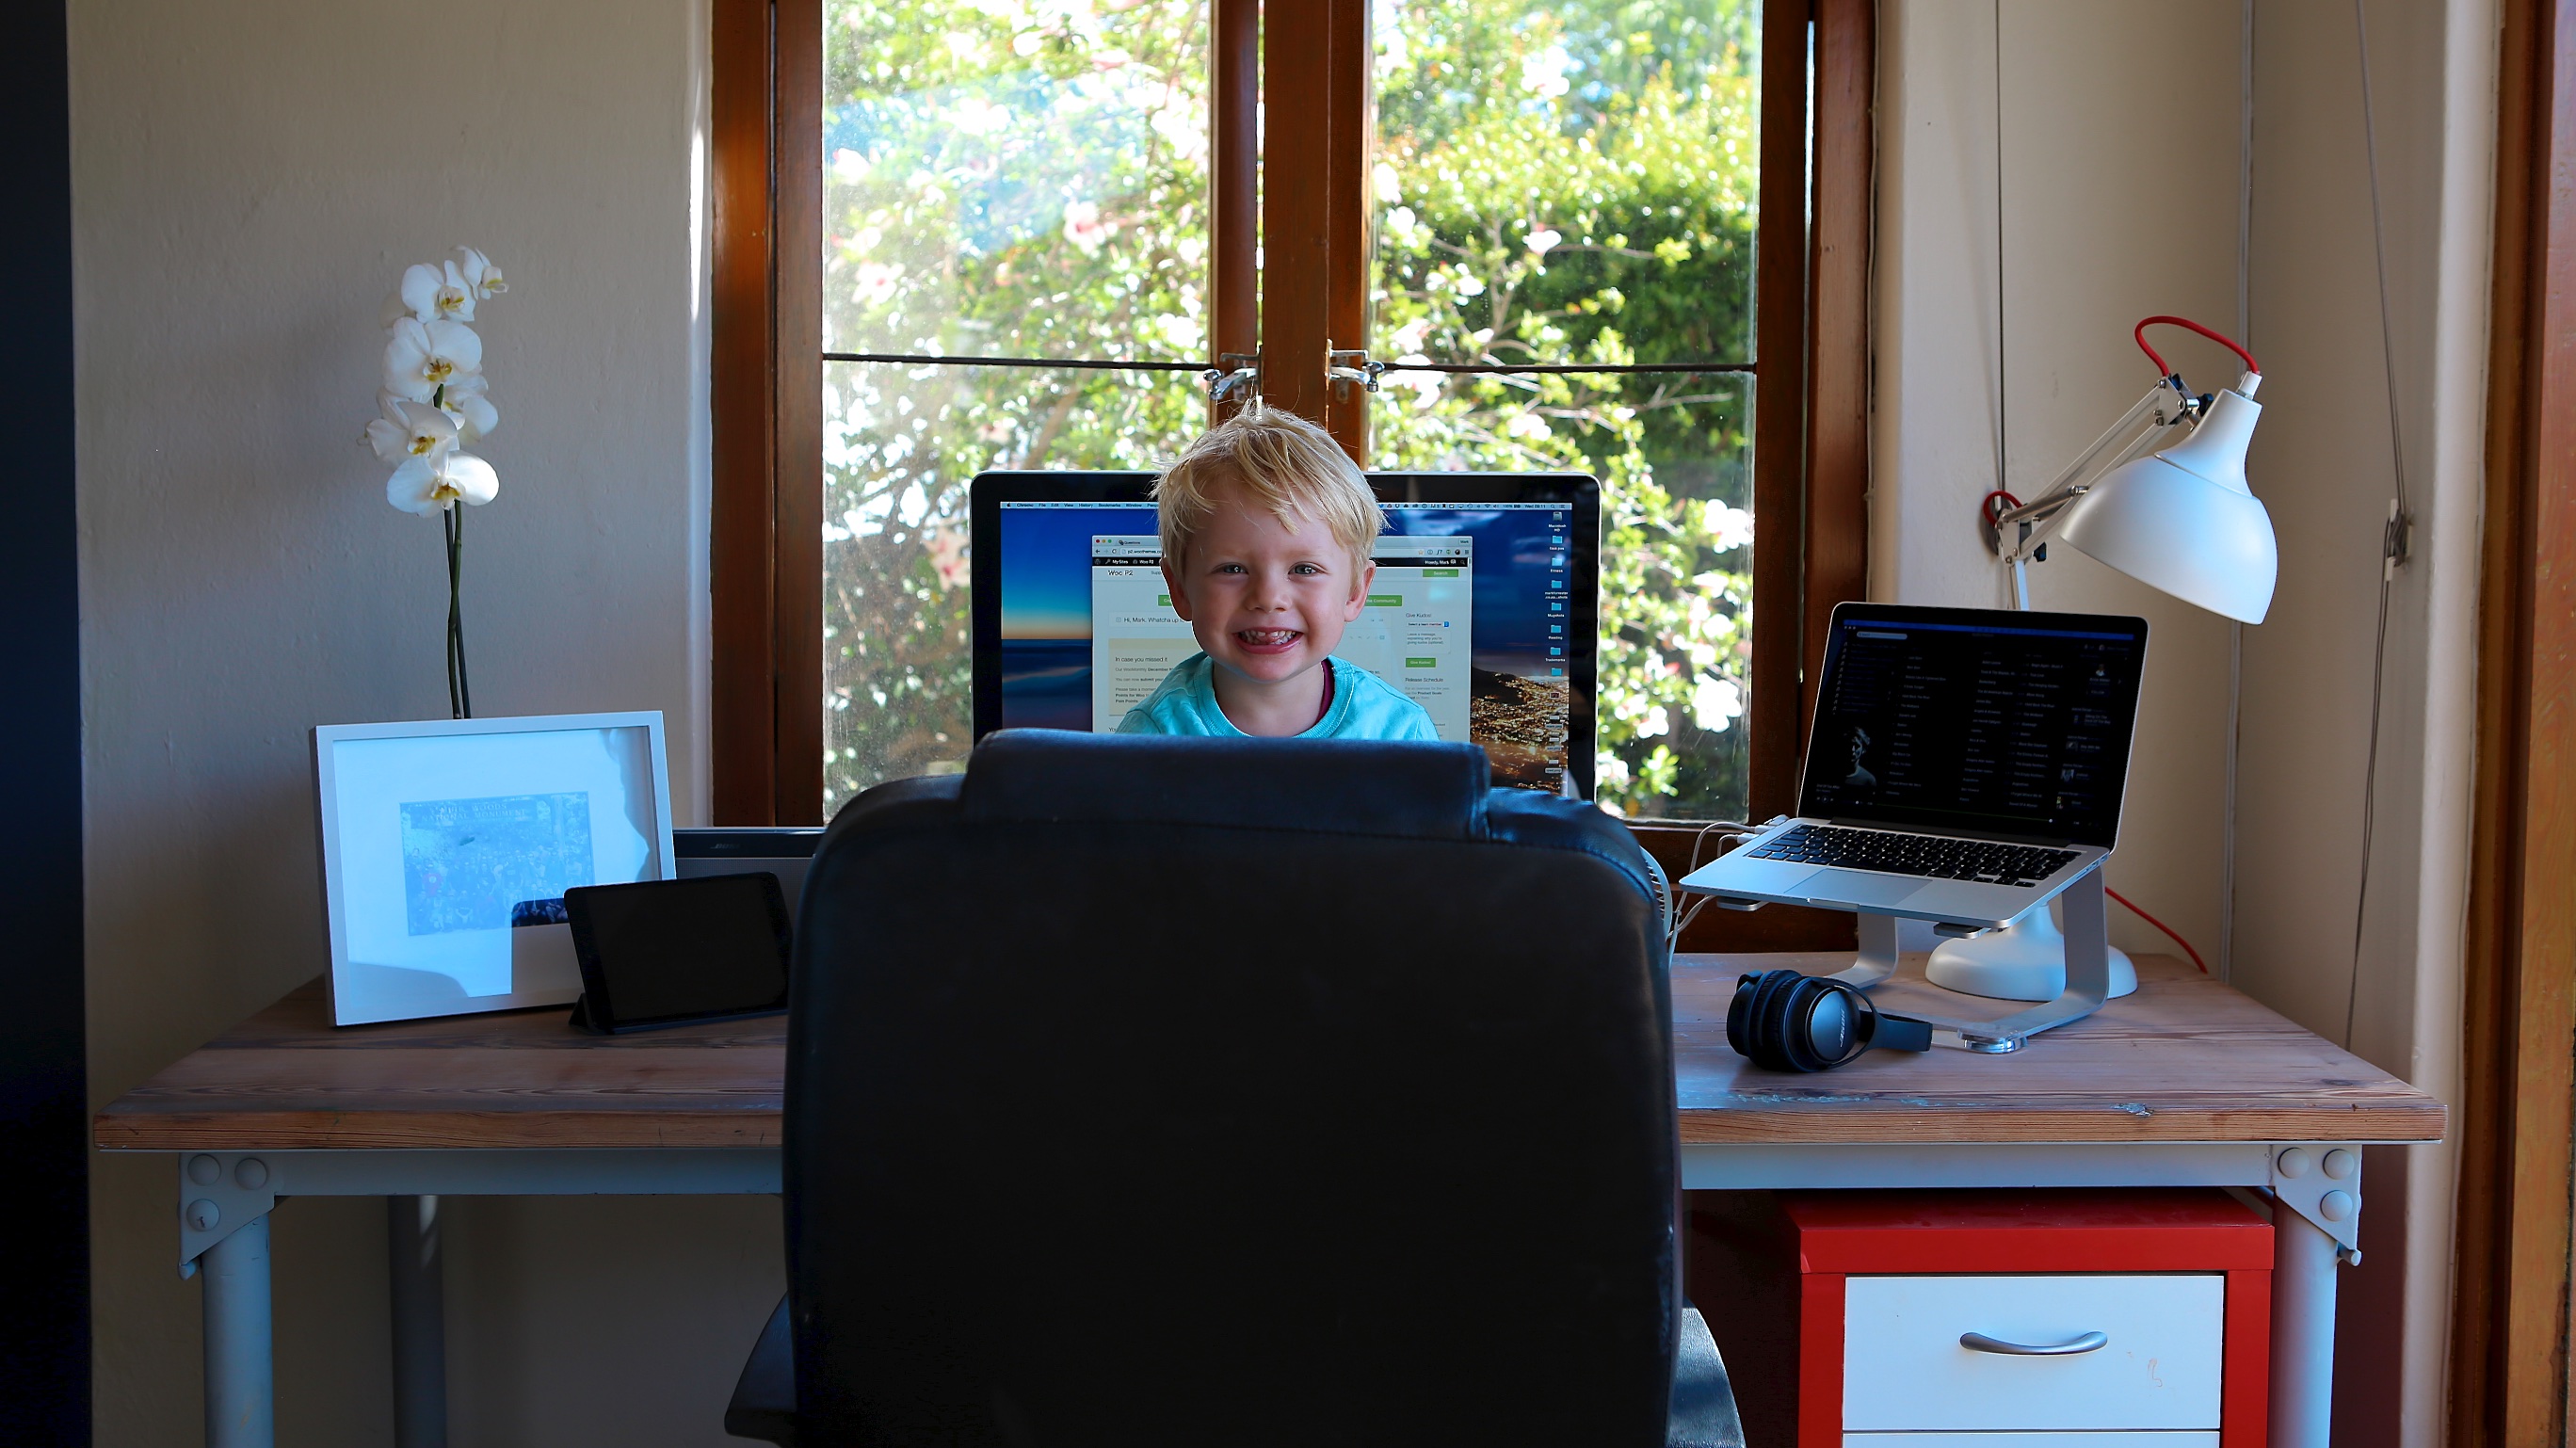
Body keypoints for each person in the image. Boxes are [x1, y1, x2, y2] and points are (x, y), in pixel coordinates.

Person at [1117, 406, 1441, 740]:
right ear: (1180, 589)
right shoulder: (1151, 737)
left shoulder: (1401, 734)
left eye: (1304, 569)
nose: (1269, 598)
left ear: (1355, 591)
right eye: (1233, 569)